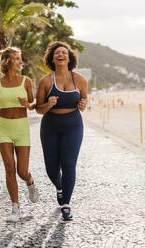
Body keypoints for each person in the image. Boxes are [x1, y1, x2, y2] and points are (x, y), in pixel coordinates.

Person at [0, 47, 39, 222]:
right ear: (8, 62)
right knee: (9, 169)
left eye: (20, 59)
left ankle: (30, 182)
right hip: (3, 127)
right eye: (17, 59)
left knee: (21, 171)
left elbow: (33, 103)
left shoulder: (26, 81)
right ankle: (15, 208)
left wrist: (27, 104)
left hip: (21, 128)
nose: (21, 62)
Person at [35, 41, 87, 221]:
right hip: (50, 126)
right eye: (57, 53)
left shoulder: (79, 79)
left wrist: (83, 104)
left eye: (64, 53)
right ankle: (59, 187)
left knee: (69, 165)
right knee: (51, 168)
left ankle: (66, 204)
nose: (61, 55)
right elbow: (38, 109)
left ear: (69, 57)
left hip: (73, 125)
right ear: (52, 58)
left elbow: (84, 100)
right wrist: (48, 104)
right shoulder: (45, 81)